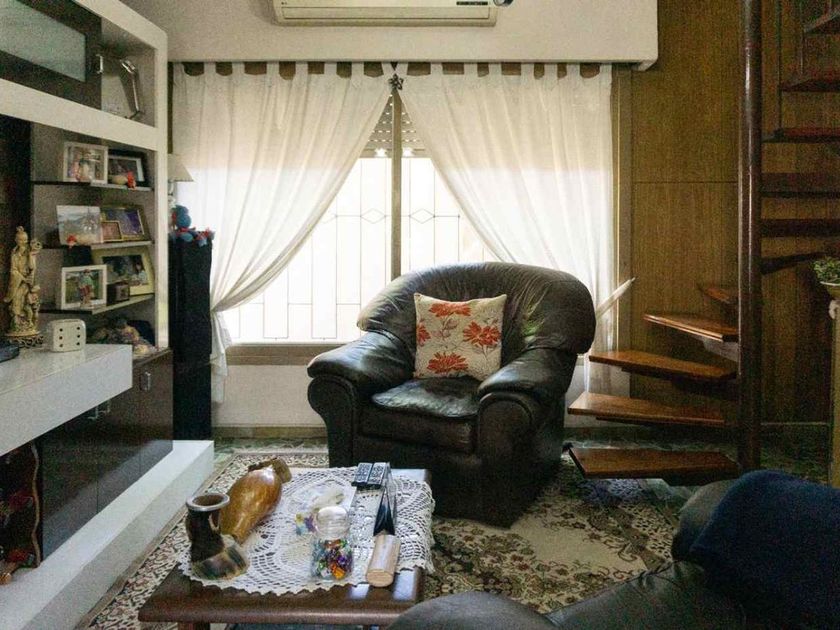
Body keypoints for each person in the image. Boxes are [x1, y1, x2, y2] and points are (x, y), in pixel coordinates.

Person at [3, 227, 42, 339]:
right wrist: (22, 278)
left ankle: (29, 322)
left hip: (28, 281)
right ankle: (16, 320)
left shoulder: (30, 252)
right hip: (18, 280)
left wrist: (30, 255)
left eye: (25, 240)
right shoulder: (14, 253)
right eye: (20, 240)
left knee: (25, 300)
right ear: (16, 240)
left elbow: (32, 267)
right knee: (16, 297)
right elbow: (13, 270)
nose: (23, 242)